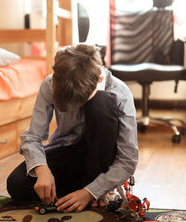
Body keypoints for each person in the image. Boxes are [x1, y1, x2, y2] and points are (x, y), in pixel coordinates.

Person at [7, 44, 138, 212]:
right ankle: (79, 193)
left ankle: (95, 190)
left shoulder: (120, 93)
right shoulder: (49, 83)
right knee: (16, 185)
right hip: (67, 151)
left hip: (102, 159)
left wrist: (92, 191)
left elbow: (128, 160)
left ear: (99, 80)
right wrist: (42, 170)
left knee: (102, 103)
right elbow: (33, 137)